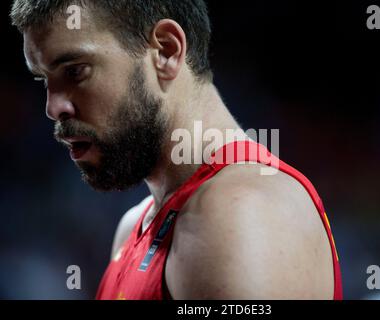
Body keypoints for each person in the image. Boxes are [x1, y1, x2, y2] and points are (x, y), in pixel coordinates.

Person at [10, 0, 342, 300]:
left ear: (167, 51)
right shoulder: (135, 224)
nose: (53, 108)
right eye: (43, 80)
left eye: (75, 71)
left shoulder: (240, 212)